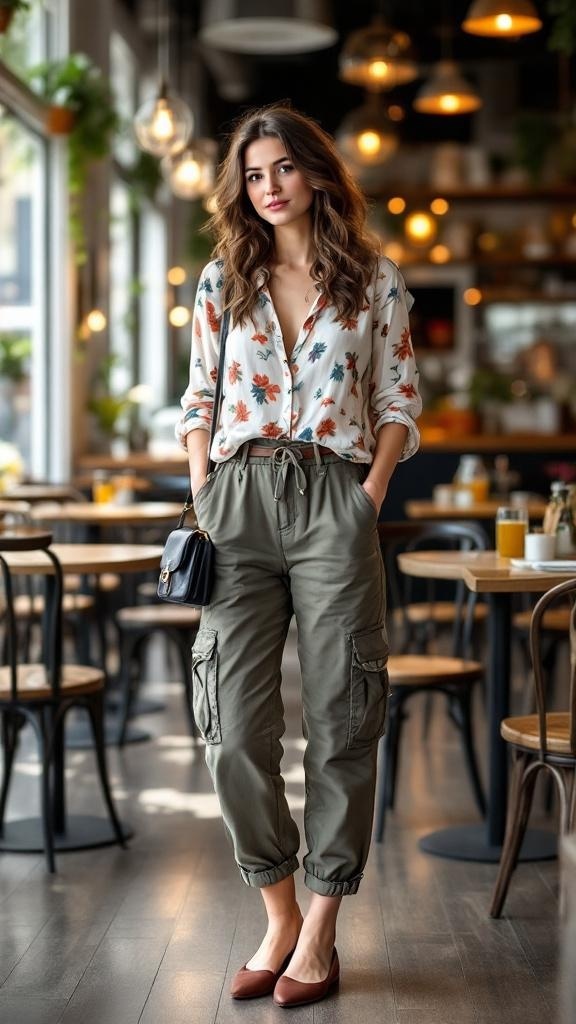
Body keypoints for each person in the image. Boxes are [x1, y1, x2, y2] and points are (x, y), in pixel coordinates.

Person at [176, 103, 421, 1008]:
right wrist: (205, 488)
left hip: (333, 497)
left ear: (316, 172)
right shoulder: (221, 282)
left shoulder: (374, 280)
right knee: (233, 725)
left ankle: (319, 928)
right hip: (236, 497)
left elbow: (398, 399)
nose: (268, 186)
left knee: (342, 715)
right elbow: (198, 396)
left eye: (282, 167)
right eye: (253, 174)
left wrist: (366, 500)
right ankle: (276, 906)